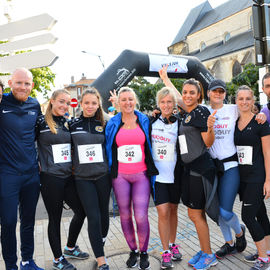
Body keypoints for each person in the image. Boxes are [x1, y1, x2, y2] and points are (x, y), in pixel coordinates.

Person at [105, 87, 158, 270]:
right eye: (124, 99)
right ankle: (133, 250)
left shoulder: (144, 119)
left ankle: (144, 252)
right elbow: (107, 146)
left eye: (130, 99)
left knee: (141, 215)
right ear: (118, 102)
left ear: (135, 101)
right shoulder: (112, 123)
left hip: (141, 175)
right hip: (120, 176)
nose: (127, 102)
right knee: (125, 215)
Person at [36, 89, 88, 270]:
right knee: (55, 218)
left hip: (68, 177)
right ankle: (58, 259)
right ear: (52, 101)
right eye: (61, 102)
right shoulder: (40, 122)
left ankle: (70, 247)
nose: (64, 106)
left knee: (81, 211)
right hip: (51, 178)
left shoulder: (68, 123)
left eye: (67, 103)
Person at [0, 68, 43, 270]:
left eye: (27, 83)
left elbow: (39, 133)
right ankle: (11, 266)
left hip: (31, 174)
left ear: (32, 86)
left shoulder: (35, 104)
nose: (23, 87)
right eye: (18, 83)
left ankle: (27, 260)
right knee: (8, 223)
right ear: (10, 83)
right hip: (7, 174)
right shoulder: (2, 102)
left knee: (28, 221)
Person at [69, 88, 111, 270]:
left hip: (103, 176)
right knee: (93, 217)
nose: (90, 106)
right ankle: (101, 260)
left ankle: (98, 241)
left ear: (98, 104)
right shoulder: (72, 124)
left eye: (94, 103)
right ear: (81, 103)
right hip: (82, 179)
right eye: (87, 102)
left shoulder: (106, 123)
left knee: (104, 217)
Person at [234, 85, 270, 270]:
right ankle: (267, 250)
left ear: (253, 100)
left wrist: (268, 180)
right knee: (260, 213)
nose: (244, 102)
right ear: (236, 101)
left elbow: (267, 152)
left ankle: (263, 259)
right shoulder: (234, 122)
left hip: (257, 177)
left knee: (248, 216)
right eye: (241, 98)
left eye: (248, 98)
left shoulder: (260, 123)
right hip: (243, 178)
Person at [150, 87, 182, 269]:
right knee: (163, 212)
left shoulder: (180, 122)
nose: (166, 105)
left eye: (169, 101)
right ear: (158, 104)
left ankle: (172, 243)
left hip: (175, 175)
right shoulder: (150, 122)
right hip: (158, 176)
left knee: (173, 211)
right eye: (163, 102)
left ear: (174, 104)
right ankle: (165, 252)